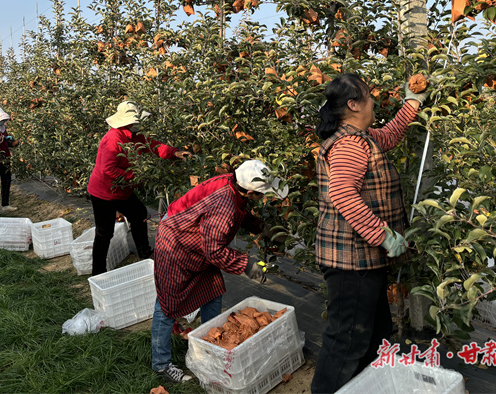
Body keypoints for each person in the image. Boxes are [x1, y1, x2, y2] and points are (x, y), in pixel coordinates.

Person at [310, 73, 427, 394]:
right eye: (368, 95)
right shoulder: (349, 144)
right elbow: (343, 194)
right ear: (352, 104)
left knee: (374, 333)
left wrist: (413, 102)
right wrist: (384, 235)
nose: (374, 100)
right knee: (348, 339)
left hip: (361, 261)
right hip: (351, 262)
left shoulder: (363, 137)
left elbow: (389, 135)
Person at [151, 159, 288, 383]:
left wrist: (260, 226)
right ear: (251, 191)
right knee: (168, 305)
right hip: (177, 245)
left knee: (213, 293)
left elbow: (237, 213)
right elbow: (214, 251)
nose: (263, 198)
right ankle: (161, 364)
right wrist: (246, 265)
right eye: (261, 194)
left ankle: (212, 346)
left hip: (196, 242)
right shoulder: (224, 205)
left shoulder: (232, 184)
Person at [87, 100, 190, 276]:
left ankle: (144, 252)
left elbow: (154, 146)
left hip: (123, 190)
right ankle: (98, 272)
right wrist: (136, 177)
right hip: (104, 193)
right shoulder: (113, 139)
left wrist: (174, 152)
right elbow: (108, 168)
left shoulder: (135, 136)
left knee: (139, 214)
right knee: (104, 233)